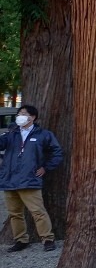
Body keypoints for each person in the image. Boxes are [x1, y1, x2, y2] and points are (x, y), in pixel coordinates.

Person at [0, 105, 63, 253]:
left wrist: (46, 167)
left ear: (32, 117)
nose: (20, 116)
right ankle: (21, 240)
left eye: (23, 113)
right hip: (10, 179)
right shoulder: (12, 133)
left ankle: (48, 239)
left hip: (30, 180)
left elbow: (57, 152)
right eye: (19, 113)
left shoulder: (43, 135)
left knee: (38, 211)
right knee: (15, 213)